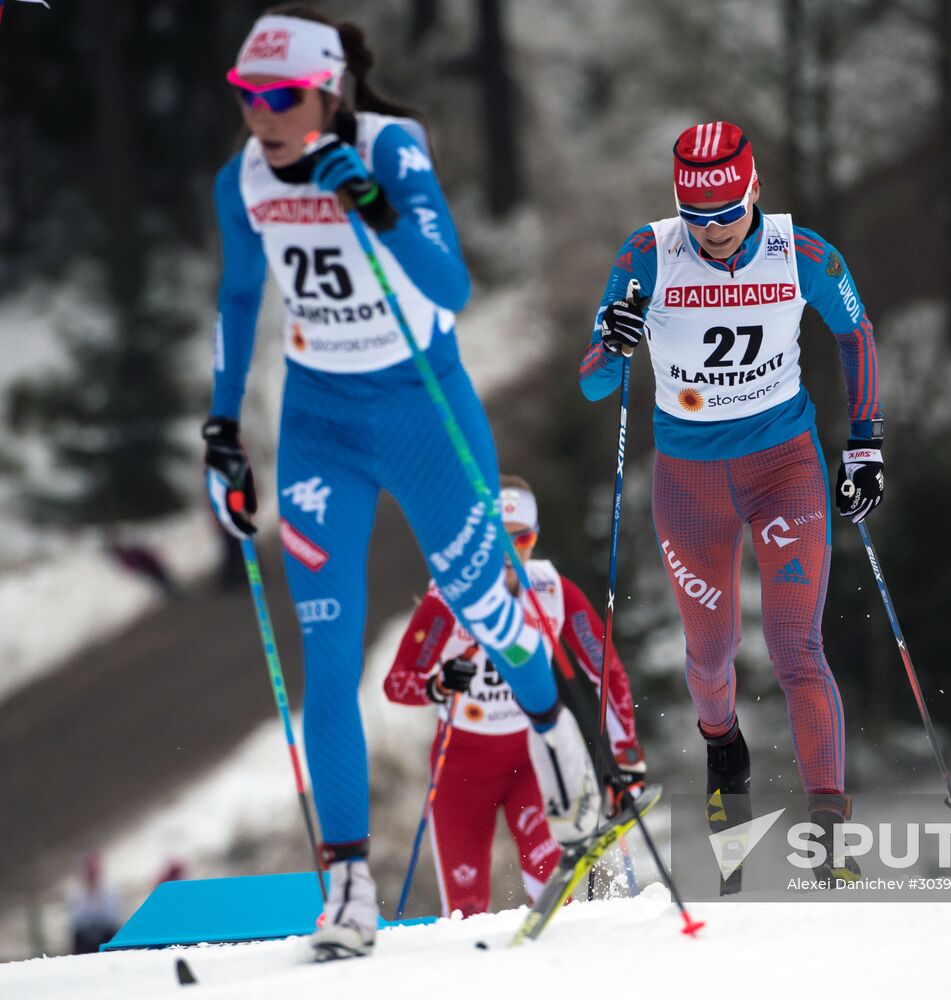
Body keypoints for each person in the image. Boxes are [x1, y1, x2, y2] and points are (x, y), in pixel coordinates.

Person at [205, 6, 598, 958]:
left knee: (482, 604)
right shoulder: (245, 179)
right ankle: (346, 890)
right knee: (327, 656)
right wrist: (221, 426)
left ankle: (558, 744)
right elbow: (239, 297)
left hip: (421, 407)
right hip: (319, 424)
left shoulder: (393, 146)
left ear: (328, 89)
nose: (262, 114)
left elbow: (453, 284)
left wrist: (374, 208)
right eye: (247, 96)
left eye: (281, 95)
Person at [579, 121, 884, 884]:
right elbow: (592, 382)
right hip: (689, 482)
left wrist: (865, 441)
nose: (712, 235)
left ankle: (826, 828)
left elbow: (855, 334)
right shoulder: (647, 255)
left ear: (753, 193)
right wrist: (611, 344)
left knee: (795, 647)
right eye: (697, 220)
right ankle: (723, 749)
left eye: (726, 216)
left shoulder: (802, 254)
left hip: (784, 466)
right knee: (710, 657)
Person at [384, 477, 646, 916]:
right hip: (461, 771)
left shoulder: (552, 591)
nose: (509, 553)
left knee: (552, 890)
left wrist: (625, 755)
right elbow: (397, 682)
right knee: (464, 911)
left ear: (534, 539)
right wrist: (439, 683)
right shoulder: (447, 597)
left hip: (531, 760)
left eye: (521, 538)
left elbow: (607, 671)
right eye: (496, 539)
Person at [68, 852, 120, 954]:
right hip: (85, 936)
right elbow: (76, 919)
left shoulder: (108, 891)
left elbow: (113, 916)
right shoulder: (77, 893)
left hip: (105, 932)